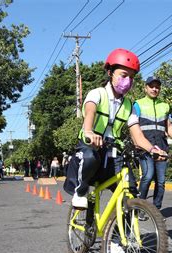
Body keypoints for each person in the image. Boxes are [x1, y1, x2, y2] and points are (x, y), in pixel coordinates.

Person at [64, 48, 166, 208]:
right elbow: (90, 111)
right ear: (110, 73)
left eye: (131, 77)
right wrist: (89, 132)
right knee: (89, 157)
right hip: (91, 146)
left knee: (131, 192)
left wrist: (153, 150)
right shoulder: (97, 94)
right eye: (123, 75)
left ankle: (121, 232)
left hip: (114, 153)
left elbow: (138, 136)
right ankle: (80, 191)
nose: (128, 81)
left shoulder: (129, 105)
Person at [134, 76, 172, 210]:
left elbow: (168, 125)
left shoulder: (164, 105)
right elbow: (133, 126)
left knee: (160, 182)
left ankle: (156, 211)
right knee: (147, 177)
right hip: (144, 148)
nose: (154, 89)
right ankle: (140, 207)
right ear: (146, 88)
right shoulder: (137, 104)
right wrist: (136, 142)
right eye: (151, 86)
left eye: (157, 87)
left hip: (161, 148)